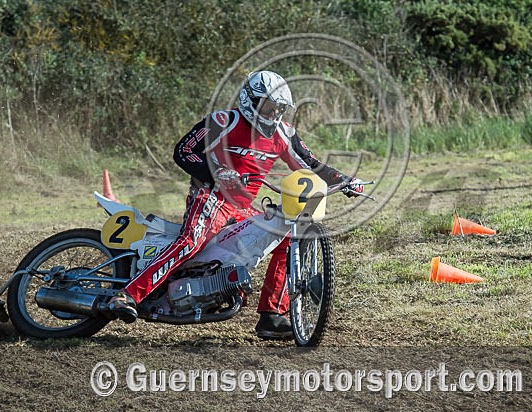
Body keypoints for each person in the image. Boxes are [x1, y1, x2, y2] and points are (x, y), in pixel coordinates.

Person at [106, 70, 362, 339]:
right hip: (212, 197)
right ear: (249, 100)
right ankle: (128, 294)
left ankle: (272, 316)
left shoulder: (284, 134)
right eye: (268, 107)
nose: (273, 115)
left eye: (279, 109)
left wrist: (345, 180)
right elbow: (183, 152)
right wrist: (216, 174)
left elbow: (311, 164)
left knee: (285, 236)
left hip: (243, 208)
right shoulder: (222, 122)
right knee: (191, 241)